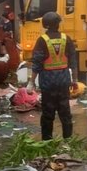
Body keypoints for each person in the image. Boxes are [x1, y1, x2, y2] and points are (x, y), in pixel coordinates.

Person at [28, 12, 78, 140]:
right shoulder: (66, 38)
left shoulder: (42, 40)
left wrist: (31, 82)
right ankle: (68, 141)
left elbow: (37, 63)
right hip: (63, 81)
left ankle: (47, 142)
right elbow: (73, 61)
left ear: (45, 24)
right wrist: (75, 80)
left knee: (48, 114)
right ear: (58, 23)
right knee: (65, 113)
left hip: (48, 83)